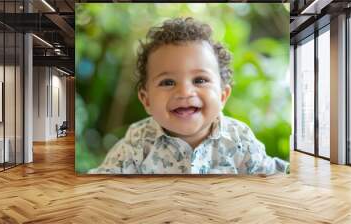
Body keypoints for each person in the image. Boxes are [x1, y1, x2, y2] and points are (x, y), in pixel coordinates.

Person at [88, 17, 289, 175]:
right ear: (146, 99)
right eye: (167, 82)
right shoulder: (138, 143)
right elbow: (103, 184)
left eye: (200, 80)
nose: (184, 92)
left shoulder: (239, 139)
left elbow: (273, 177)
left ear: (222, 95)